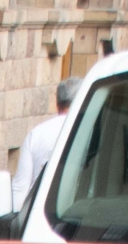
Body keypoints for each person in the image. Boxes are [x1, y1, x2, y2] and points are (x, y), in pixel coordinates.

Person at [16, 78, 82, 210]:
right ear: (82, 102)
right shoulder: (88, 132)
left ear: (57, 104)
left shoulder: (36, 134)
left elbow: (20, 188)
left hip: (37, 214)